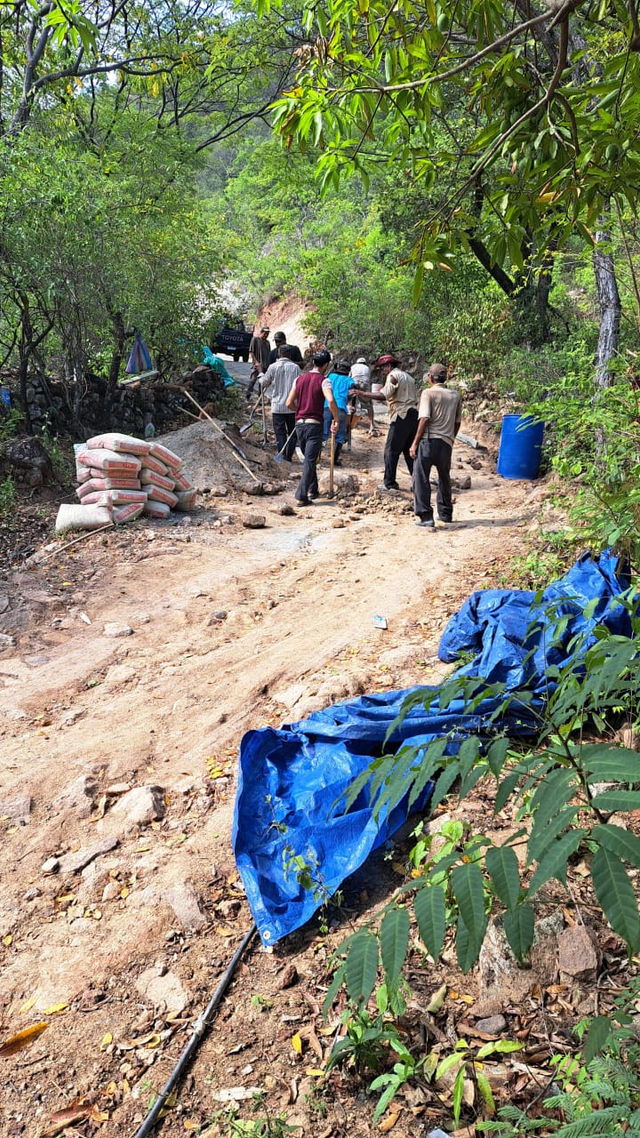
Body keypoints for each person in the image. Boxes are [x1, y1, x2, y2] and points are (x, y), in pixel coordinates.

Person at [352, 353, 418, 491]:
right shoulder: (409, 377)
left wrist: (361, 393)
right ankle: (418, 482)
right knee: (408, 451)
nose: (382, 372)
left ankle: (390, 483)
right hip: (413, 415)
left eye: (383, 368)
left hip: (401, 415)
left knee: (391, 451)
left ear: (389, 366)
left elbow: (383, 395)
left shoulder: (393, 376)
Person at [410, 362, 462, 528]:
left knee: (421, 477)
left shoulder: (428, 393)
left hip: (428, 441)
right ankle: (446, 514)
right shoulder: (455, 395)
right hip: (446, 443)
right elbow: (457, 422)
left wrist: (415, 443)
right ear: (445, 377)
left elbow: (424, 418)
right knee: (444, 477)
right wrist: (451, 438)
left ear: (430, 378)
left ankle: (426, 516)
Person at [286, 349, 339, 507]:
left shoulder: (299, 379)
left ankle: (313, 489)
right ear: (326, 365)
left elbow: (288, 403)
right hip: (314, 426)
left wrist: (301, 411)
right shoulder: (324, 381)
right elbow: (330, 400)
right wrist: (336, 418)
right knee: (310, 460)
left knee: (310, 459)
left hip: (299, 425)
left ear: (313, 362)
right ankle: (302, 495)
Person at [259, 344, 301, 462]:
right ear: (290, 355)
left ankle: (281, 455)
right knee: (292, 432)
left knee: (280, 432)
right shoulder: (295, 368)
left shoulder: (273, 367)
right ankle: (288, 457)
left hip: (277, 406)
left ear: (279, 354)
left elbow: (263, 383)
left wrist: (260, 374)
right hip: (292, 406)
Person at [323, 360, 355, 466]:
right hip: (340, 408)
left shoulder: (330, 376)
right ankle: (334, 460)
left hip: (327, 406)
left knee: (323, 433)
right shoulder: (349, 381)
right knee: (339, 435)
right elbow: (353, 394)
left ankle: (316, 457)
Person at [349, 357, 376, 436]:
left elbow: (349, 377)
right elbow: (368, 378)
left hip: (354, 383)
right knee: (369, 405)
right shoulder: (367, 368)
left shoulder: (353, 366)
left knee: (352, 402)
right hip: (365, 384)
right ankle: (371, 425)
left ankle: (351, 422)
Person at [246, 326, 271, 399]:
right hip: (257, 365)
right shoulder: (255, 339)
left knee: (262, 383)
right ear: (261, 332)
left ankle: (260, 399)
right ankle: (248, 396)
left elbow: (268, 353)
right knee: (253, 381)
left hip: (265, 365)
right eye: (265, 333)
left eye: (267, 334)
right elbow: (251, 352)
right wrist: (256, 362)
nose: (266, 335)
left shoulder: (267, 343)